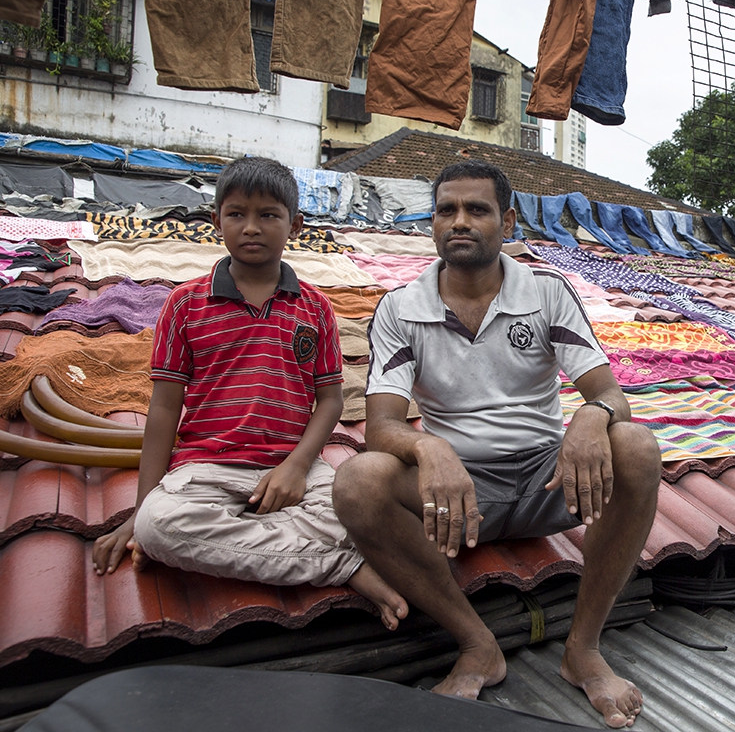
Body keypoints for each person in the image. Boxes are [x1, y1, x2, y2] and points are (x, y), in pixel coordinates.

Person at [333, 160, 662, 729]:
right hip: (459, 500)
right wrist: (430, 449)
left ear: (507, 221)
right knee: (357, 481)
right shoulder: (400, 308)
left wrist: (591, 417)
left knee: (635, 446)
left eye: (477, 210)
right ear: (432, 224)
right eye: (447, 210)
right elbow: (382, 426)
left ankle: (582, 650)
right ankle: (476, 643)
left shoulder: (546, 292)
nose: (460, 221)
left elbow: (609, 392)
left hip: (547, 483)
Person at [91, 157, 406, 630]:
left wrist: (297, 466)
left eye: (268, 215)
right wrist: (137, 514)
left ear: (295, 225)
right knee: (160, 526)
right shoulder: (184, 304)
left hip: (295, 466)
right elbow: (162, 411)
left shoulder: (315, 307)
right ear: (216, 220)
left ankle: (267, 548)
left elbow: (331, 401)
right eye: (236, 214)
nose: (251, 228)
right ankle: (342, 566)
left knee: (366, 513)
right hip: (206, 466)